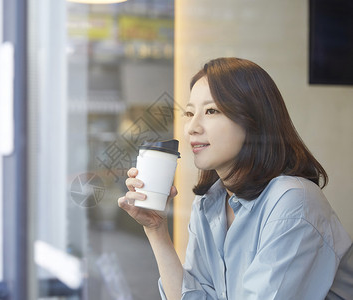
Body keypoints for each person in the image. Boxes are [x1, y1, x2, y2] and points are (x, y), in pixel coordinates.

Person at [118, 57, 353, 299]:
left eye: (211, 111)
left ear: (252, 120)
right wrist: (156, 229)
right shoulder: (210, 202)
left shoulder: (293, 201)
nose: (191, 127)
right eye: (189, 113)